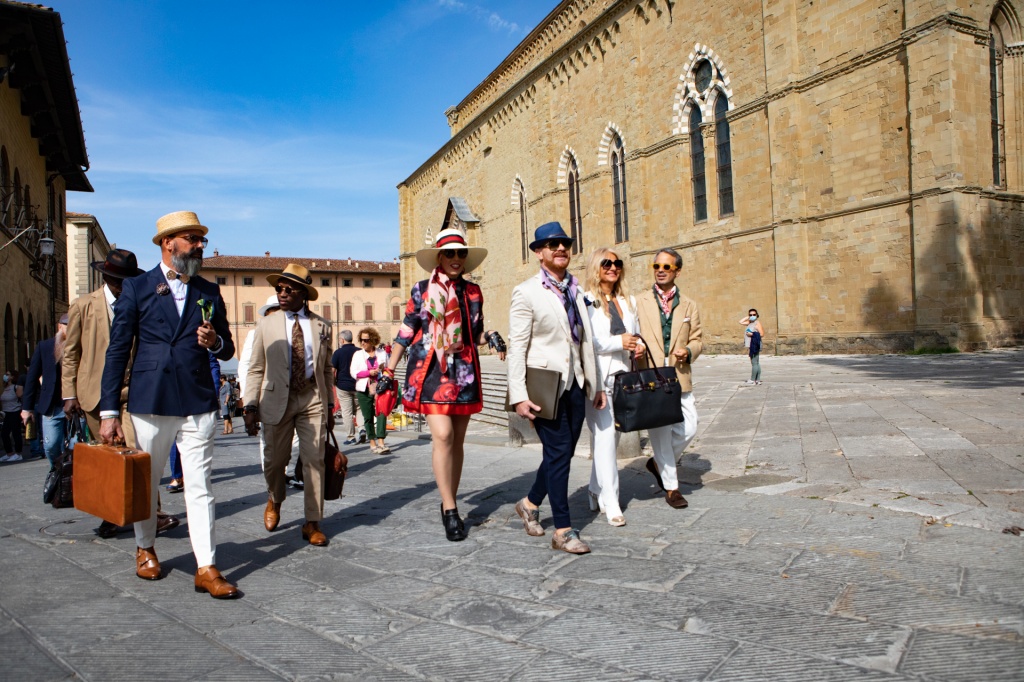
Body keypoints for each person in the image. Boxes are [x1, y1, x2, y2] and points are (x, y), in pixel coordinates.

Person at [98, 210, 238, 599]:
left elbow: (227, 346)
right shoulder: (138, 288)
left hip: (198, 399)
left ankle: (207, 565)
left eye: (200, 240)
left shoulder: (209, 291)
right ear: (167, 243)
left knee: (201, 484)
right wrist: (110, 411)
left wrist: (216, 344)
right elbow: (117, 351)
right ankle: (145, 547)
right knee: (148, 479)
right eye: (192, 239)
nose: (199, 246)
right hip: (151, 399)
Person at [381, 228, 506, 542]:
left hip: (463, 372)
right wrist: (388, 370)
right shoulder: (422, 290)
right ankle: (450, 508)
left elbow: (472, 333)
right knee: (443, 435)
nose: (456, 259)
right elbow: (407, 330)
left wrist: (489, 335)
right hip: (430, 371)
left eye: (461, 253)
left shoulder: (473, 292)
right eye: (449, 253)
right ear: (439, 257)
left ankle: (450, 497)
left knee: (458, 442)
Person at [508, 222, 604, 555]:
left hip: (576, 383)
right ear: (539, 252)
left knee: (558, 454)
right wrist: (518, 395)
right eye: (552, 244)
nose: (560, 248)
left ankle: (530, 502)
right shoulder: (526, 292)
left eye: (564, 243)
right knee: (560, 452)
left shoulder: (576, 291)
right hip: (544, 387)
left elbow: (585, 342)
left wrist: (597, 383)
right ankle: (563, 530)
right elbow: (517, 347)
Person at [242, 264, 334, 547]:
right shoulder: (266, 324)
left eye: (288, 289)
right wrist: (250, 405)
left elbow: (327, 368)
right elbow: (256, 368)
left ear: (303, 294)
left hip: (311, 398)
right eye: (278, 289)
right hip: (274, 399)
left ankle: (312, 521)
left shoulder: (322, 326)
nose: (281, 293)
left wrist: (329, 405)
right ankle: (275, 498)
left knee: (314, 461)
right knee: (274, 461)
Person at [635, 248, 703, 510]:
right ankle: (672, 488)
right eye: (656, 266)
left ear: (677, 271)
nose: (660, 270)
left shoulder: (689, 305)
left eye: (666, 266)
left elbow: (697, 338)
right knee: (662, 434)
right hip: (650, 374)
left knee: (689, 427)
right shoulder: (638, 301)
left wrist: (689, 350)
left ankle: (657, 464)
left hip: (679, 373)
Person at [582, 247, 643, 527]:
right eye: (607, 263)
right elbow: (587, 342)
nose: (613, 267)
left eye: (617, 263)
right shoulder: (586, 301)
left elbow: (634, 334)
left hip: (624, 379)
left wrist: (637, 346)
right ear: (596, 267)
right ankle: (612, 501)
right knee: (605, 439)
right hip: (599, 380)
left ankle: (595, 489)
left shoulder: (627, 300)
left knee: (611, 439)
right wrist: (619, 343)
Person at [238, 295, 301, 489]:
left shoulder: (297, 333)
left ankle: (288, 471)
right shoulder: (255, 334)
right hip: (269, 393)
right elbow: (248, 366)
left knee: (296, 437)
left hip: (295, 393)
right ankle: (272, 475)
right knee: (268, 437)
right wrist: (247, 398)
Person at [22, 316, 73, 467]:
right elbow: (32, 378)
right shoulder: (45, 346)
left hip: (77, 406)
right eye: (66, 325)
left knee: (77, 446)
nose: (69, 329)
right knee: (51, 446)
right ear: (59, 327)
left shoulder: (81, 344)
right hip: (52, 405)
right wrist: (27, 408)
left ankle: (73, 478)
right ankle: (57, 472)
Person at [350, 328, 389, 453]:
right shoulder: (357, 355)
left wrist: (382, 372)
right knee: (367, 416)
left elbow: (388, 369)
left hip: (380, 388)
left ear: (372, 340)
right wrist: (368, 372)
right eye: (361, 340)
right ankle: (372, 442)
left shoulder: (382, 353)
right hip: (364, 388)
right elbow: (353, 372)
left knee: (382, 413)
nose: (363, 343)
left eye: (366, 340)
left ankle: (381, 441)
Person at [331, 329, 359, 445]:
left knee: (347, 412)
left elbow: (333, 370)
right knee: (359, 409)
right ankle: (362, 429)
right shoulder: (359, 351)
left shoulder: (338, 353)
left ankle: (351, 436)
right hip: (358, 385)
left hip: (343, 386)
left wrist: (334, 383)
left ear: (342, 340)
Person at [0, 370, 23, 461]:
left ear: (13, 377)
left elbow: (21, 396)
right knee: (4, 433)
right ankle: (9, 453)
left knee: (15, 433)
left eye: (7, 374)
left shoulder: (16, 387)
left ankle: (18, 453)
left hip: (15, 412)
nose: (5, 376)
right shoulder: (5, 388)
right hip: (6, 413)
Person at [740, 308, 765, 385]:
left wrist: (752, 334)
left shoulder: (757, 323)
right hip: (751, 344)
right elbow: (740, 322)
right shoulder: (750, 323)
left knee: (754, 363)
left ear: (757, 315)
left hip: (754, 344)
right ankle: (757, 380)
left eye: (754, 314)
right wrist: (748, 317)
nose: (752, 316)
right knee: (756, 363)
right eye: (750, 315)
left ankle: (752, 379)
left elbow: (762, 334)